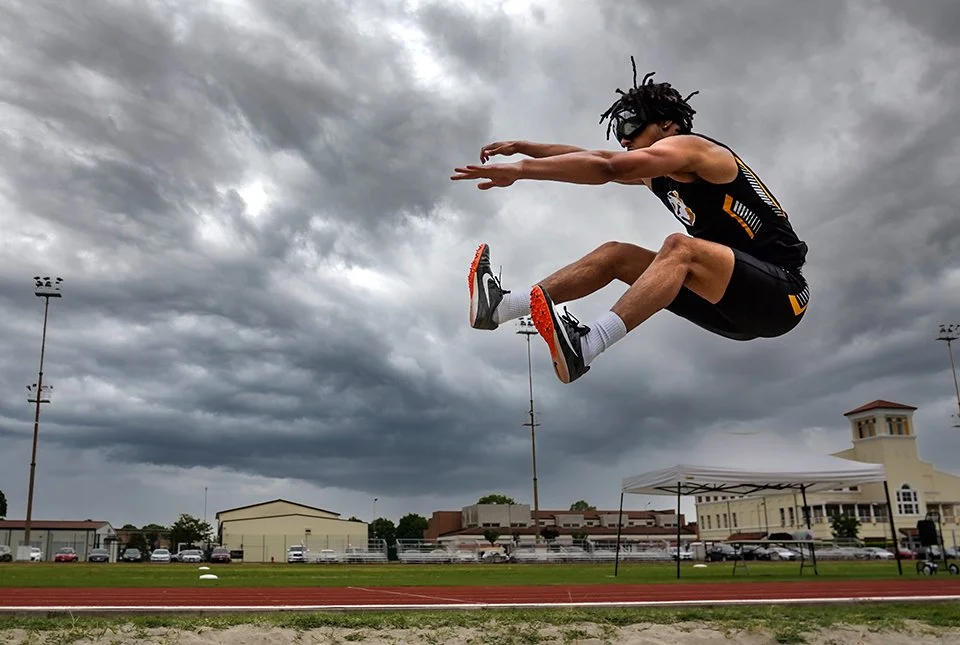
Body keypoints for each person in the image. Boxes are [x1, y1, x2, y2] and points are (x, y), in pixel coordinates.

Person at [452, 58, 810, 384]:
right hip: (727, 302)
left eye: (631, 125)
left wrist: (522, 170)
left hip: (782, 294)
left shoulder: (693, 149)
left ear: (667, 124)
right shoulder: (658, 173)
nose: (624, 137)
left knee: (679, 248)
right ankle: (502, 308)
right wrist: (526, 146)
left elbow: (608, 166)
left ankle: (589, 344)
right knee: (616, 254)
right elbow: (590, 157)